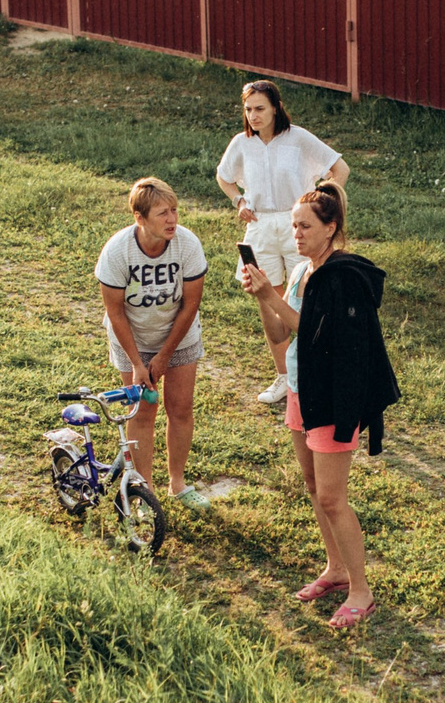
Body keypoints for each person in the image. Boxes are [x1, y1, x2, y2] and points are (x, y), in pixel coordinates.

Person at [241, 180, 399, 630]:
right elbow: (282, 336)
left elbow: (322, 337)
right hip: (300, 387)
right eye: (293, 226)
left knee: (332, 497)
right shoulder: (299, 272)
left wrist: (271, 295)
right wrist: (262, 298)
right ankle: (335, 569)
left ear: (331, 229)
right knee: (313, 486)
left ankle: (361, 591)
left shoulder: (342, 277)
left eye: (305, 226)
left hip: (333, 396)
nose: (297, 234)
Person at [217, 80, 348, 406]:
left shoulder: (298, 138)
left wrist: (320, 206)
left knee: (308, 300)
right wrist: (239, 201)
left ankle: (321, 373)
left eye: (260, 108)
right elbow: (224, 176)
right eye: (248, 109)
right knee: (269, 300)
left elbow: (339, 168)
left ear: (275, 107)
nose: (253, 115)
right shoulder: (241, 143)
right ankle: (284, 378)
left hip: (296, 226)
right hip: (260, 227)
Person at [96, 177, 211, 510]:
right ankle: (143, 488)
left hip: (179, 334)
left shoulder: (187, 245)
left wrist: (164, 356)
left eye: (174, 211)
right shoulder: (117, 251)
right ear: (140, 218)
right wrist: (137, 362)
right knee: (142, 412)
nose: (172, 219)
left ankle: (178, 484)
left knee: (181, 408)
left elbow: (191, 304)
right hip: (132, 337)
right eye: (162, 213)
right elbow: (115, 311)